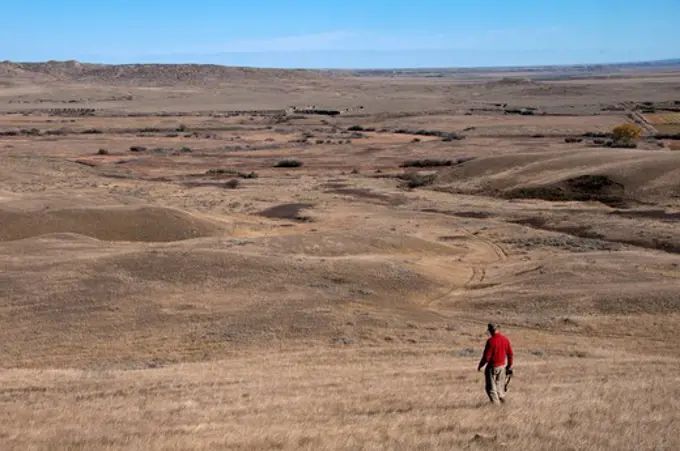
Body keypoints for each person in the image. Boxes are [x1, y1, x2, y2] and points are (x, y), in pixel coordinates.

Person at [477, 323, 514, 404]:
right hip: (502, 367)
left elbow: (486, 357)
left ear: (490, 330)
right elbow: (510, 354)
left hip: (492, 367)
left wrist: (480, 365)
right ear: (497, 329)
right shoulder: (505, 339)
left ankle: (497, 407)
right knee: (499, 386)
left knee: (491, 389)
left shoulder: (491, 341)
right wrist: (509, 366)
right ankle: (502, 400)